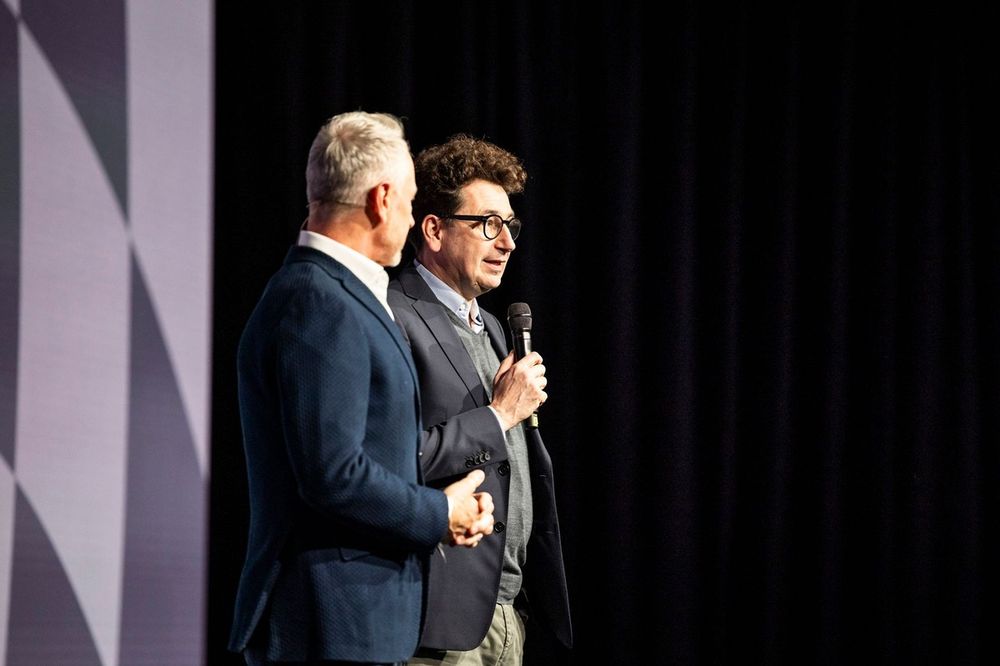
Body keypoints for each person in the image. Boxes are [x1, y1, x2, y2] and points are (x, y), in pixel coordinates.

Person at [228, 113, 494, 666]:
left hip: (356, 623)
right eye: (411, 201)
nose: (412, 215)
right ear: (381, 199)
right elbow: (332, 474)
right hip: (330, 625)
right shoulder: (317, 300)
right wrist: (439, 514)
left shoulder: (338, 294)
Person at [388, 135, 572, 665]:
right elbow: (395, 457)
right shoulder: (394, 315)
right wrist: (500, 414)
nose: (507, 242)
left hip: (508, 609)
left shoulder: (492, 325)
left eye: (510, 226)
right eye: (489, 223)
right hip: (439, 614)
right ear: (435, 230)